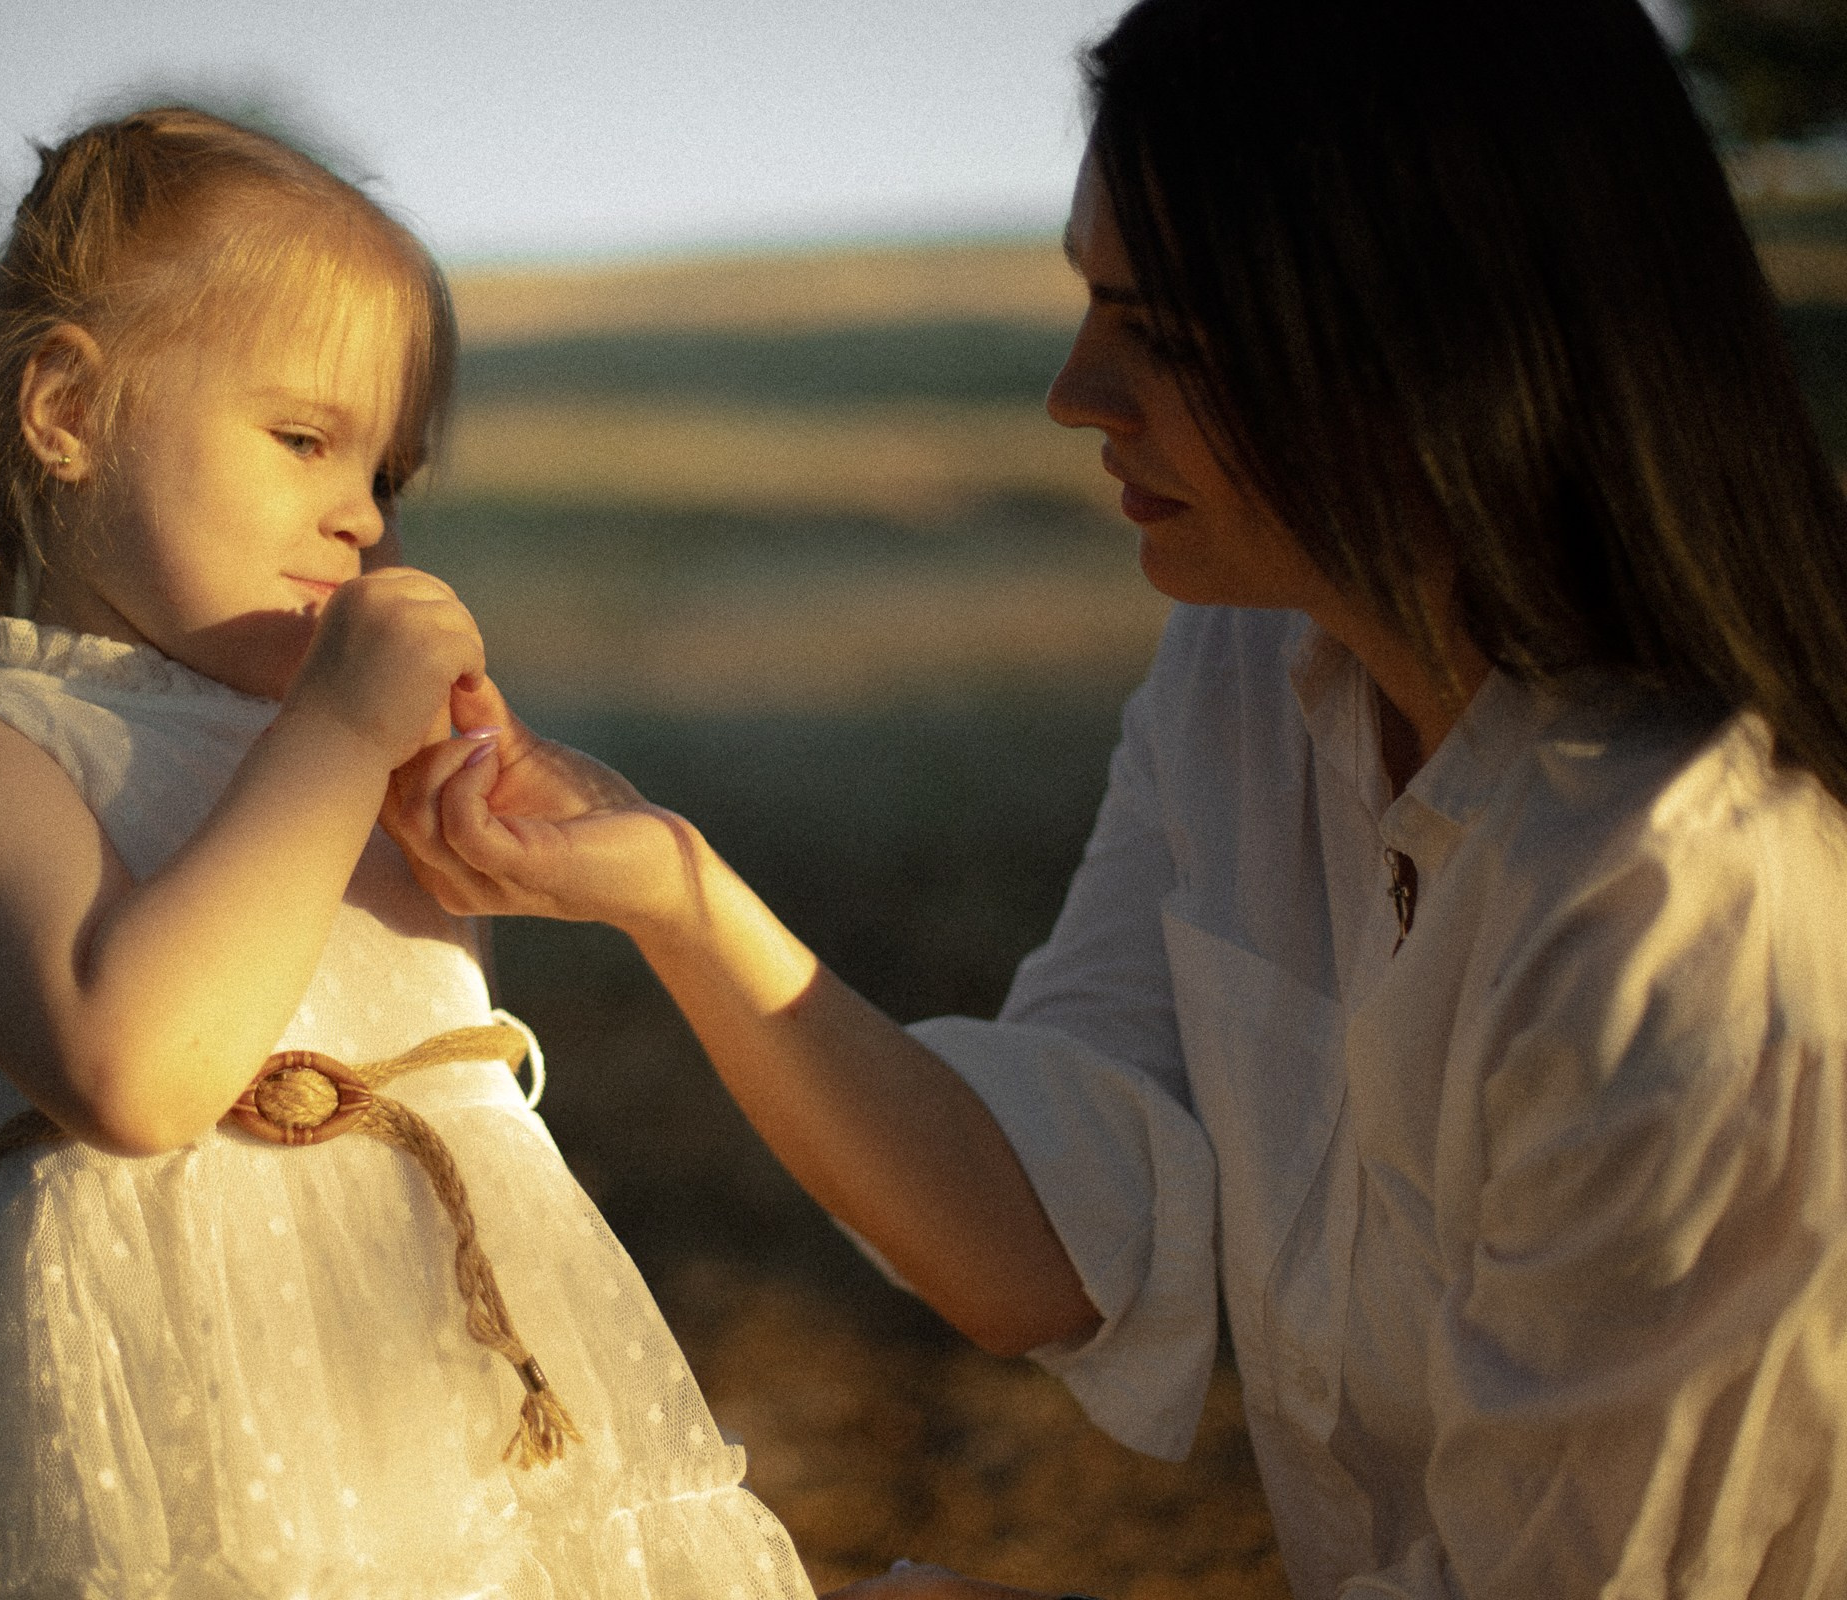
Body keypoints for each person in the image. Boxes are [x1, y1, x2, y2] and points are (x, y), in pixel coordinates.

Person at [383, 1, 1847, 1594]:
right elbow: (1034, 1241)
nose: (1079, 392)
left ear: (1437, 351)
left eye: (1168, 333)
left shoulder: (1694, 912)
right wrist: (674, 892)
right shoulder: (1248, 676)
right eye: (1094, 301)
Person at [0, 108, 816, 1599]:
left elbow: (440, 1056)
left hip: (461, 1390)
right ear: (67, 410)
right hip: (206, 1436)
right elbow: (138, 1074)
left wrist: (487, 805)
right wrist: (332, 743)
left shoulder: (325, 747)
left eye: (390, 473)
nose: (360, 515)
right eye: (305, 438)